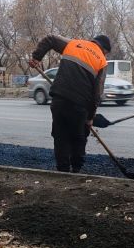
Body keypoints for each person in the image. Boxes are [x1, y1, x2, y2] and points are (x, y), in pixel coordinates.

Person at [29, 34, 111, 173]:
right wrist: (90, 117)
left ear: (93, 41)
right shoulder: (102, 61)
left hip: (59, 99)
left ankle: (62, 170)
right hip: (79, 105)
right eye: (106, 54)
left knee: (60, 136)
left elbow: (50, 39)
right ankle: (76, 169)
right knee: (79, 137)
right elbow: (97, 94)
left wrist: (37, 57)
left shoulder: (74, 44)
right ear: (104, 50)